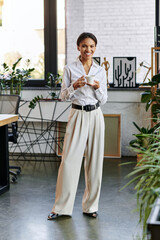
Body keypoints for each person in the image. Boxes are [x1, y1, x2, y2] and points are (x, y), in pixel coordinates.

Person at [48, 32, 108, 220]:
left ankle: (91, 207)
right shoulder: (69, 68)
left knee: (95, 162)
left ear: (95, 48)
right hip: (77, 114)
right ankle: (61, 208)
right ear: (78, 47)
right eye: (84, 46)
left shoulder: (100, 70)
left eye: (91, 46)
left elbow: (105, 99)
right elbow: (63, 96)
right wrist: (74, 85)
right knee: (69, 161)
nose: (87, 50)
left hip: (96, 115)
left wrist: (97, 88)